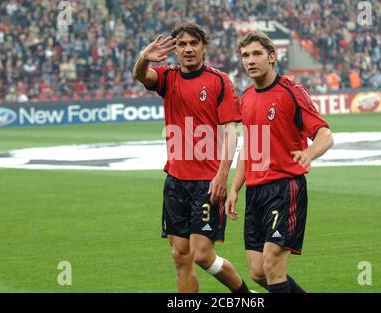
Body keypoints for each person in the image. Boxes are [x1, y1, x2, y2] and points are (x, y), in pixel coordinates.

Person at [133, 22, 250, 293]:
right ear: (175, 49)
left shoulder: (219, 81)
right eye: (182, 44)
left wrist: (222, 173)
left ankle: (245, 295)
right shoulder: (168, 78)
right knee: (180, 256)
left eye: (193, 43)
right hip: (175, 181)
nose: (188, 49)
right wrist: (144, 58)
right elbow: (141, 76)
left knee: (202, 255)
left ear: (204, 47)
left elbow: (231, 130)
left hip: (206, 183)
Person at [225, 31, 334, 293]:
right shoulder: (247, 98)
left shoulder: (291, 91)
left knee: (273, 266)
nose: (250, 60)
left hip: (285, 189)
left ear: (272, 57)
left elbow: (325, 135)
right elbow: (250, 148)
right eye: (245, 56)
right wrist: (234, 188)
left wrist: (309, 153)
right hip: (256, 192)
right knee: (258, 272)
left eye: (257, 54)